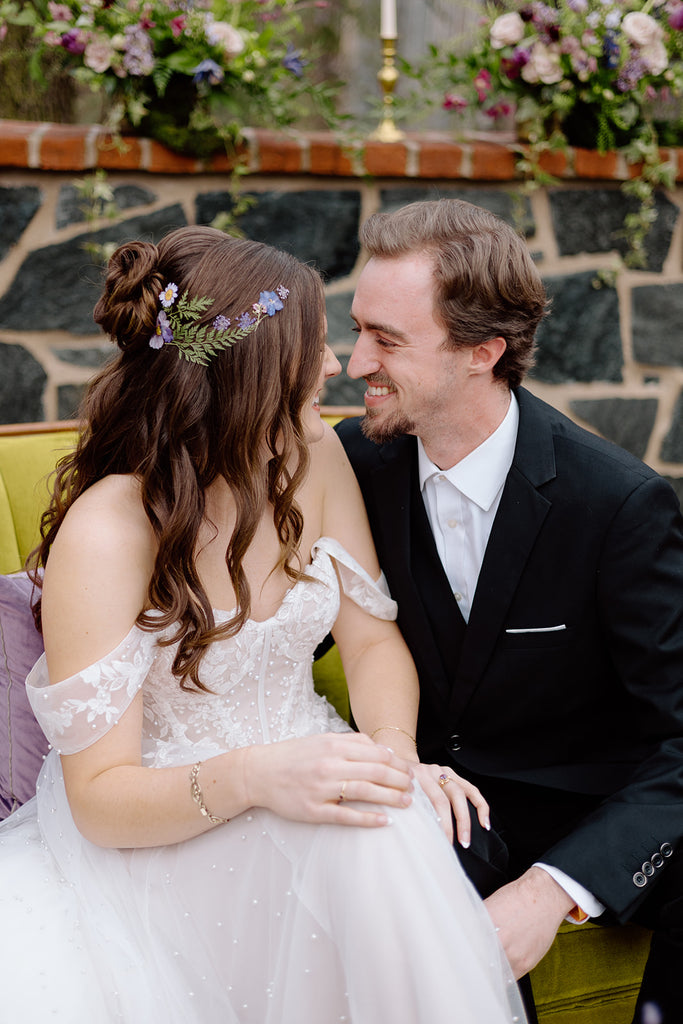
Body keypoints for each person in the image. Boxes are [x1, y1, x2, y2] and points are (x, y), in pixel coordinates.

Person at [0, 226, 526, 1024]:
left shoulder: (313, 454)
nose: (335, 367)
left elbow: (372, 637)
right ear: (244, 374)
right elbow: (102, 800)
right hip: (163, 830)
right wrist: (259, 778)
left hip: (316, 776)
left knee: (377, 824)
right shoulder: (109, 531)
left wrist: (392, 755)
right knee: (365, 840)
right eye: (311, 346)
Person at [337, 198, 683, 1024]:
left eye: (385, 340)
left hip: (585, 807)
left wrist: (555, 889)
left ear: (481, 352)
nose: (353, 364)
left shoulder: (617, 502)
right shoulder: (350, 466)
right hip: (430, 808)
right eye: (357, 330)